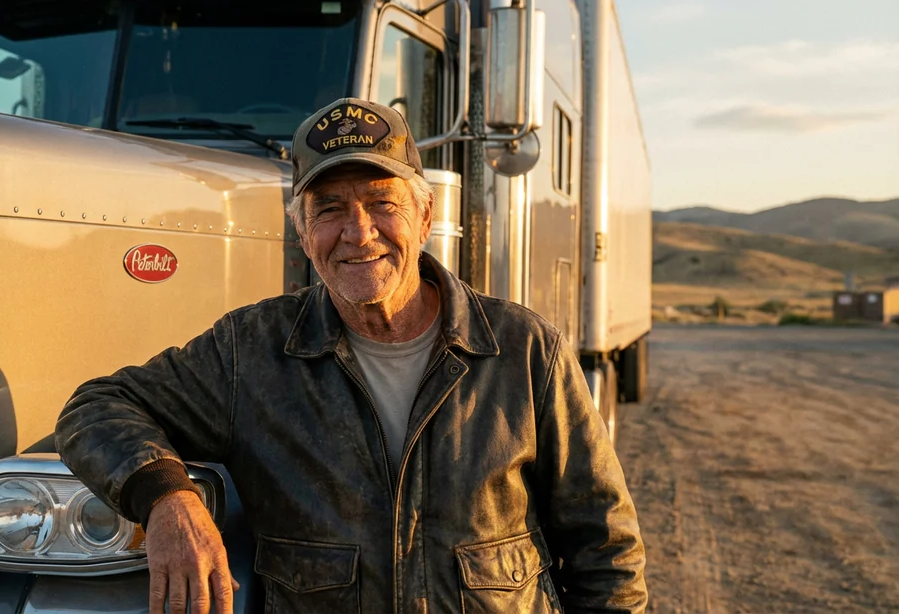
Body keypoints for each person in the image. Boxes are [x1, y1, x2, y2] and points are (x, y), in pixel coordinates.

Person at [55, 97, 647, 614]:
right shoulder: (253, 352)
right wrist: (167, 498)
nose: (358, 232)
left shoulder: (521, 350)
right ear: (302, 231)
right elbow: (98, 406)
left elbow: (605, 548)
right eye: (330, 209)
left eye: (382, 203)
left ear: (424, 217)